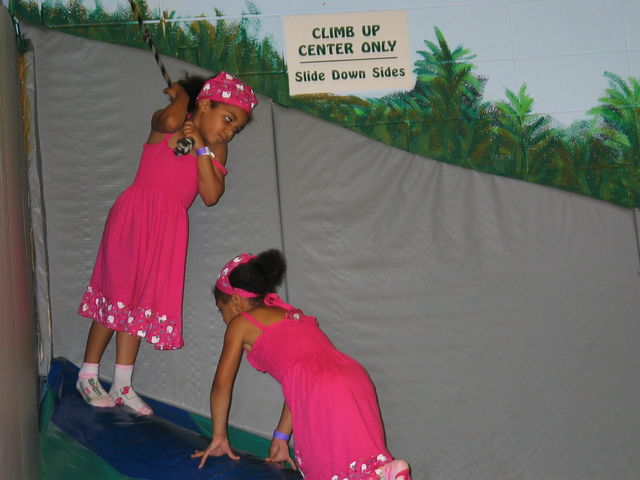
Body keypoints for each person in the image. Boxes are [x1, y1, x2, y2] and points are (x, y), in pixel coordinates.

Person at [76, 72, 258, 415]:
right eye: (228, 119)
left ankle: (122, 383)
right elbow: (170, 119)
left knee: (140, 304)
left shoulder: (217, 149)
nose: (229, 131)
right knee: (117, 295)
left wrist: (201, 147)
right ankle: (87, 373)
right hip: (135, 215)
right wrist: (182, 97)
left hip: (170, 227)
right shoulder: (172, 124)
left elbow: (211, 195)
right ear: (204, 104)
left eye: (236, 128)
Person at [192, 250, 413, 480]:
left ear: (236, 301)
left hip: (319, 388)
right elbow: (299, 384)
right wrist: (281, 437)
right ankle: (386, 472)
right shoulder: (290, 314)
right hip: (353, 378)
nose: (223, 317)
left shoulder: (240, 324)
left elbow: (221, 386)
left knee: (325, 469)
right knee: (360, 460)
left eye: (221, 309)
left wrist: (219, 437)